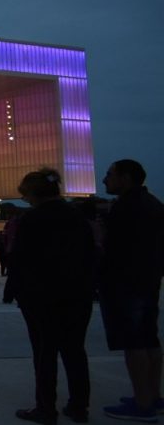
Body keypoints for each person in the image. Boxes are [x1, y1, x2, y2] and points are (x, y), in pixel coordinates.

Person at [7, 168, 95, 425]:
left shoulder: (33, 219)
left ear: (34, 193)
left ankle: (46, 407)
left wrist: (19, 291)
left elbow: (20, 259)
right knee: (75, 351)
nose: (27, 200)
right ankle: (79, 406)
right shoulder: (77, 217)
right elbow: (90, 254)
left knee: (45, 353)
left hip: (42, 296)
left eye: (26, 195)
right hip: (77, 295)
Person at [99, 160, 164, 422]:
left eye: (109, 175)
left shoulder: (127, 208)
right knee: (150, 340)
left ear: (125, 178)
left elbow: (115, 249)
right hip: (147, 281)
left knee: (134, 343)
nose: (105, 180)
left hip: (126, 283)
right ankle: (152, 395)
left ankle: (142, 404)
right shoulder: (153, 204)